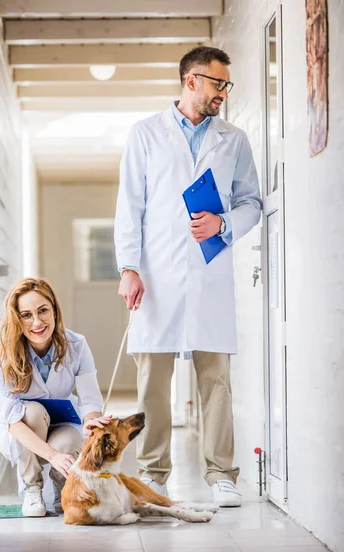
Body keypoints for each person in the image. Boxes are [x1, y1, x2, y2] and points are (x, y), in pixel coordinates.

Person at [114, 46, 262, 507]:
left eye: (226, 85)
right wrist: (129, 268)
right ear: (191, 80)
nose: (223, 93)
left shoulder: (233, 140)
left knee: (215, 378)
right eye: (217, 83)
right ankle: (154, 472)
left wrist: (224, 224)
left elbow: (252, 203)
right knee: (152, 380)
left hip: (208, 274)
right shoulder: (145, 134)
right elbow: (129, 207)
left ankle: (221, 473)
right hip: (155, 274)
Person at [0, 278, 110, 517]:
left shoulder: (76, 344)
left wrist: (91, 421)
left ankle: (61, 487)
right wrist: (52, 456)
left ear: (54, 309)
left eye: (43, 310)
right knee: (31, 411)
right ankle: (31, 487)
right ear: (16, 319)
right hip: (23, 429)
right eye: (26, 315)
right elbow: (13, 420)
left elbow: (89, 399)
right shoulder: (2, 353)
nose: (37, 322)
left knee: (69, 441)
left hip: (60, 423)